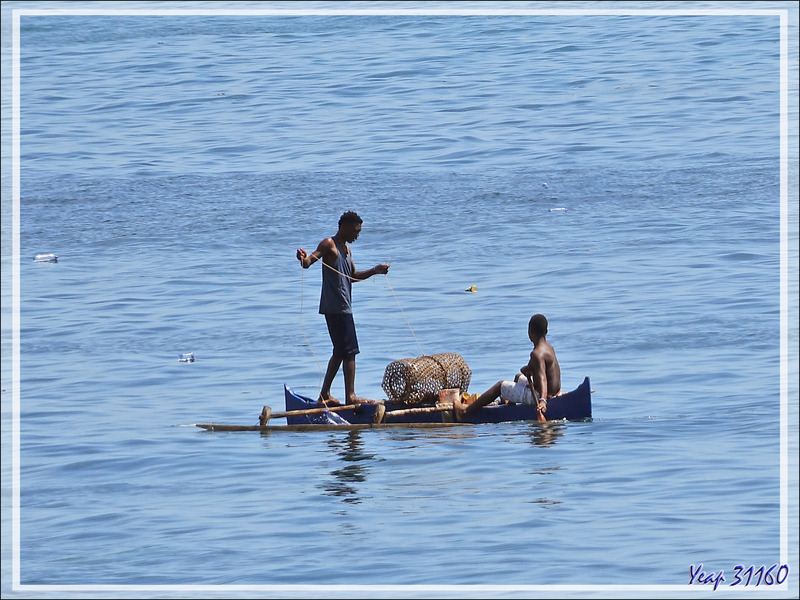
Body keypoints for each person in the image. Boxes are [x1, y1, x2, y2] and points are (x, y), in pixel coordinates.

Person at [296, 211, 389, 406]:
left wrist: (375, 270)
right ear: (344, 227)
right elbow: (308, 263)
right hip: (335, 307)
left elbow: (353, 276)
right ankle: (351, 396)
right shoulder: (328, 244)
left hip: (345, 307)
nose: (357, 235)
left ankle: (324, 394)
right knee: (350, 351)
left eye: (359, 232)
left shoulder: (347, 250)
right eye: (355, 231)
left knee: (340, 351)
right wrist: (302, 258)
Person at [453, 314, 561, 421]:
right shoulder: (548, 348)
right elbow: (541, 368)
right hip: (552, 392)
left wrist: (542, 400)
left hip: (541, 396)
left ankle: (464, 412)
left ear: (530, 332)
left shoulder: (536, 354)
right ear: (546, 331)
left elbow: (543, 378)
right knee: (518, 377)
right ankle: (510, 403)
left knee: (500, 386)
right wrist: (528, 369)